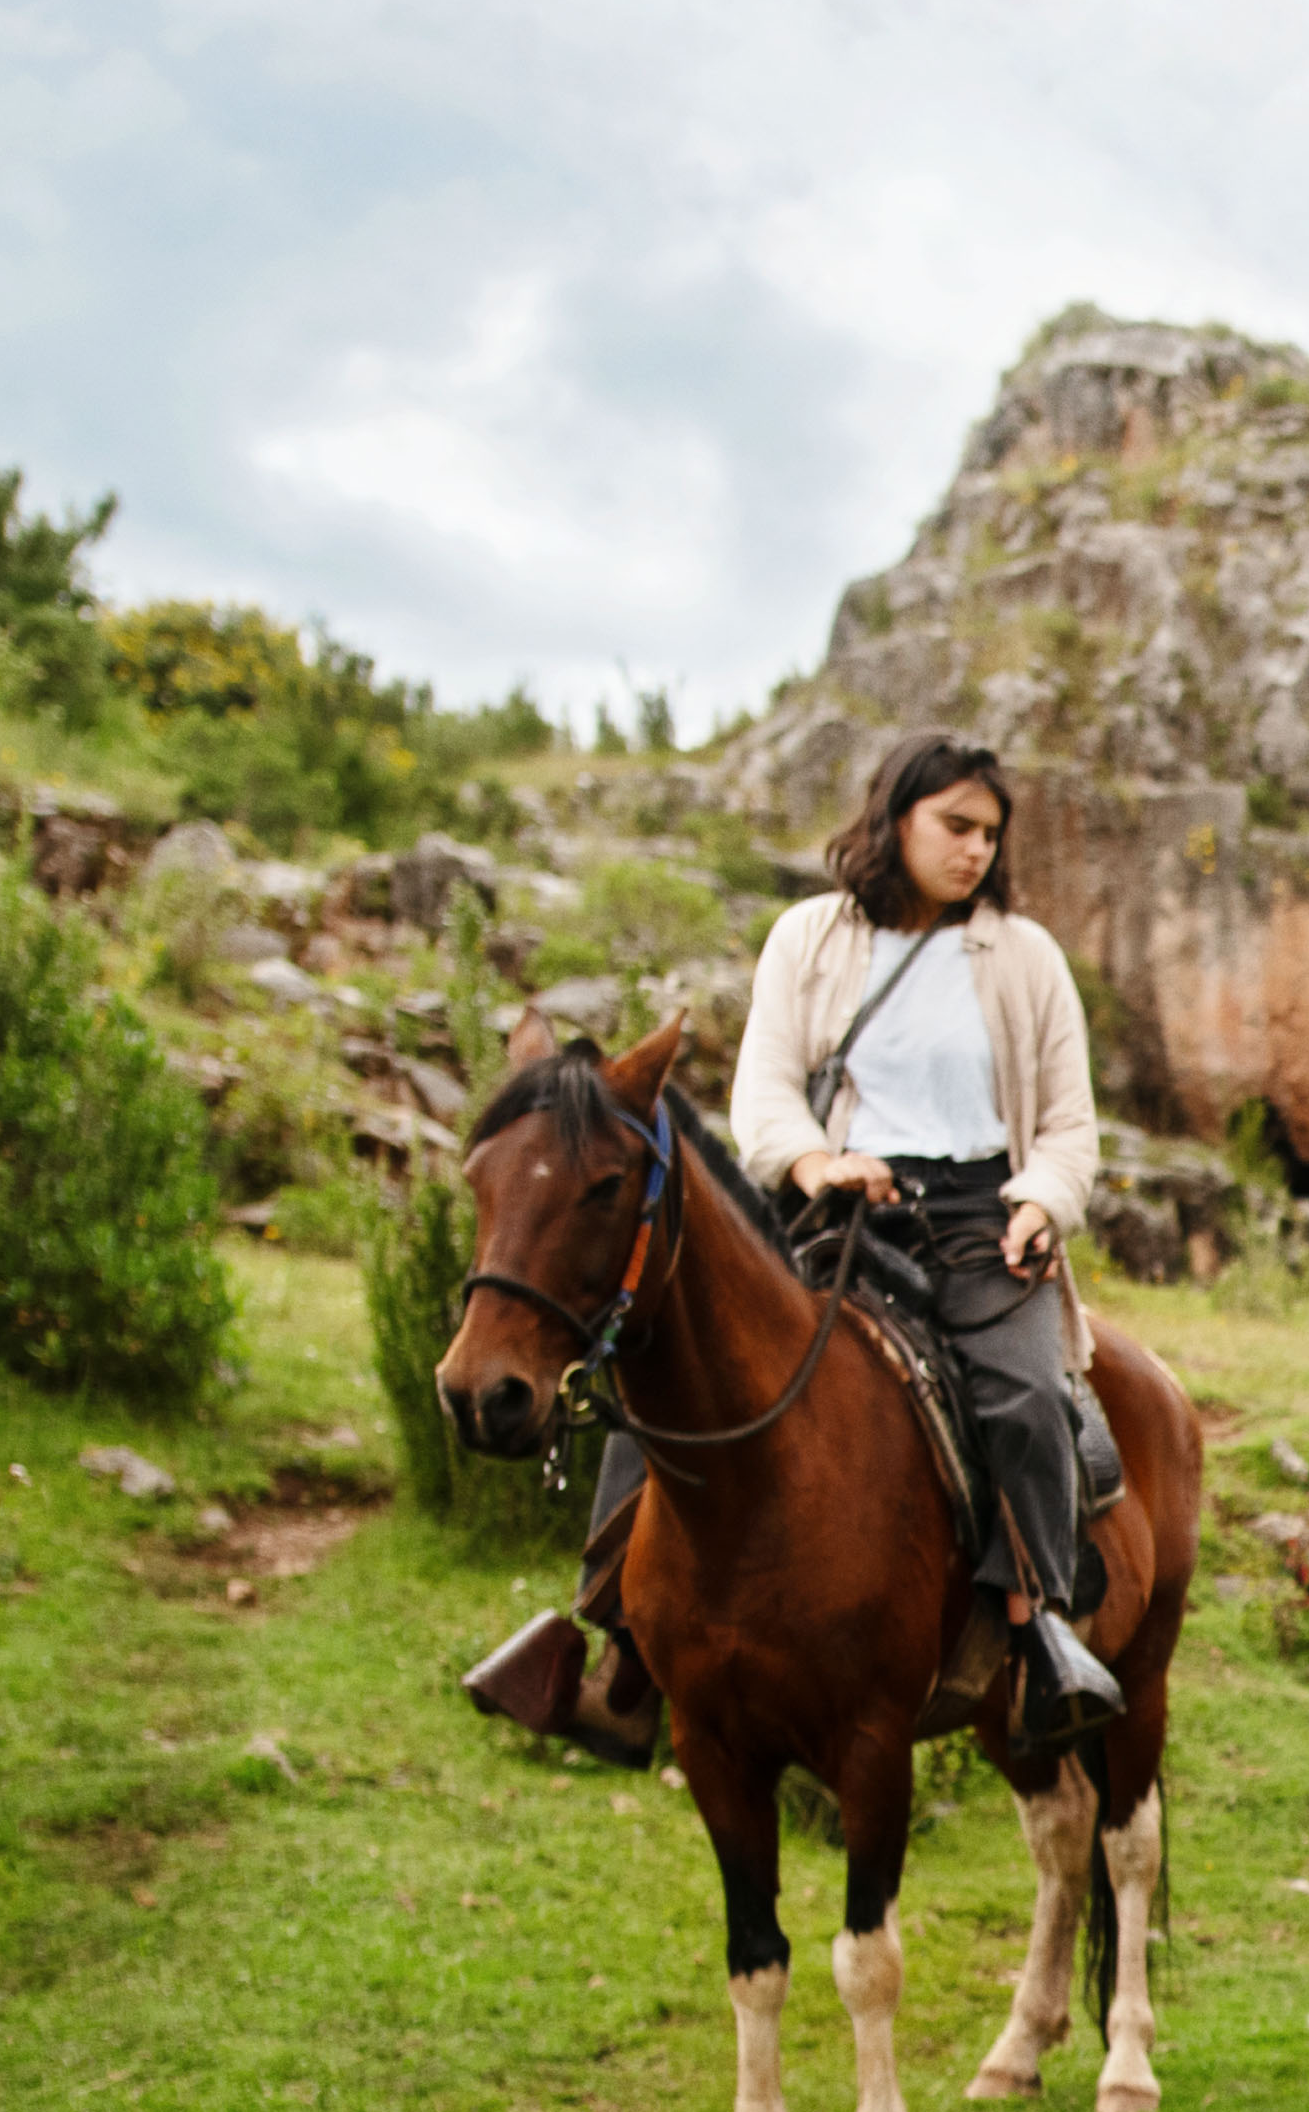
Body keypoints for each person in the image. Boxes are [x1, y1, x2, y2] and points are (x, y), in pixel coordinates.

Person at [459, 733, 1121, 1755]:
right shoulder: (810, 936)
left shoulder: (1023, 956)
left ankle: (1042, 1642)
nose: (976, 850)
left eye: (991, 833)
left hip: (987, 1222)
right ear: (894, 818)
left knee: (1028, 1397)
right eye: (955, 825)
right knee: (667, 1374)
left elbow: (1070, 1122)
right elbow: (764, 1088)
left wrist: (1041, 1199)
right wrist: (815, 1163)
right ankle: (622, 1650)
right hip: (839, 1205)